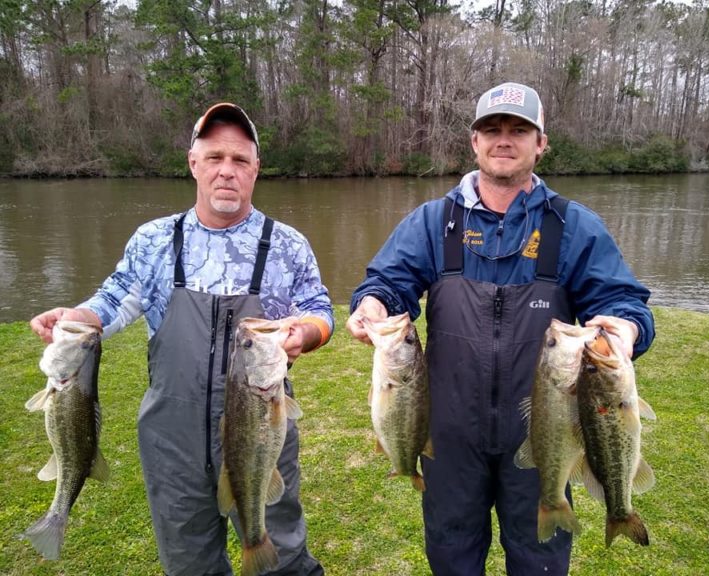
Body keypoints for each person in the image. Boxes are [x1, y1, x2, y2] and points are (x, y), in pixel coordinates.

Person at [346, 82, 655, 575]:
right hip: (448, 436)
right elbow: (388, 282)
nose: (504, 140)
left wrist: (626, 329)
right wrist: (373, 305)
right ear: (475, 142)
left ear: (541, 142)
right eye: (492, 129)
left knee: (539, 559)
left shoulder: (574, 226)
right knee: (451, 556)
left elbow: (621, 301)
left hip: (544, 432)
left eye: (519, 129)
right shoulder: (433, 223)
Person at [30, 103, 333, 576]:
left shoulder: (287, 244)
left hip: (259, 424)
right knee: (188, 558)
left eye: (239, 160)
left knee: (282, 553)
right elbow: (112, 301)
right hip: (171, 435)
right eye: (214, 158)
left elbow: (319, 310)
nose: (226, 171)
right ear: (193, 164)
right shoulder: (153, 240)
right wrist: (75, 318)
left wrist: (306, 333)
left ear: (256, 169)